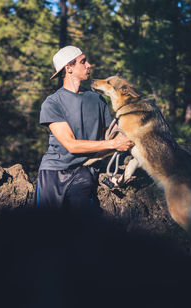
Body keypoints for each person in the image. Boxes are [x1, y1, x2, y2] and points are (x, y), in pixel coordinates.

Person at [35, 46, 134, 217]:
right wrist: (113, 143)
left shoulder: (97, 100)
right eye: (83, 62)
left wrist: (122, 136)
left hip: (84, 170)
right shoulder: (52, 103)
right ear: (69, 68)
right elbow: (71, 145)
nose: (89, 65)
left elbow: (111, 134)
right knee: (45, 229)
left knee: (82, 225)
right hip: (53, 171)